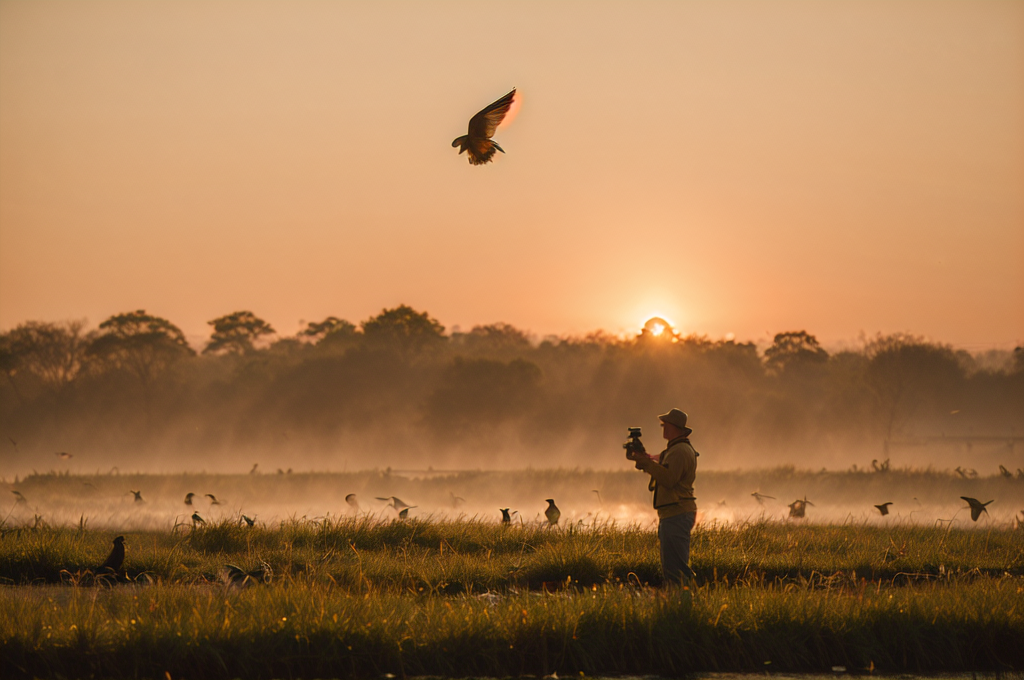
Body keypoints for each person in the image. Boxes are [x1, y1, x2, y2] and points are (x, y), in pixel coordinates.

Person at [627, 408, 698, 585]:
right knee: (672, 566)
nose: (663, 428)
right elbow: (663, 464)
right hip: (673, 514)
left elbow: (668, 478)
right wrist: (645, 459)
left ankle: (684, 603)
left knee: (676, 570)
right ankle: (680, 601)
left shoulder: (680, 451)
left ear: (676, 428)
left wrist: (646, 463)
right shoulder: (676, 449)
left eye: (666, 425)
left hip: (677, 514)